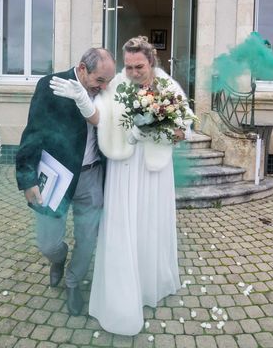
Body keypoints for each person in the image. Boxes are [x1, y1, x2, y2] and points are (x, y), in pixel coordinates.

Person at [87, 36, 193, 336]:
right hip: (123, 168)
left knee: (150, 223)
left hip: (154, 170)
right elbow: (100, 118)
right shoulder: (115, 86)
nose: (133, 72)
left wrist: (160, 130)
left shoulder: (168, 87)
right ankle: (122, 289)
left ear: (151, 62)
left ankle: (149, 284)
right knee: (123, 224)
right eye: (129, 66)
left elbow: (185, 127)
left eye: (140, 66)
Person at [16, 48, 115, 316]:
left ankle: (73, 282)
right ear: (82, 69)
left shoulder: (107, 93)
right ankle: (58, 259)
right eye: (99, 81)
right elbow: (33, 133)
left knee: (87, 238)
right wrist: (27, 179)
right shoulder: (49, 86)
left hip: (92, 175)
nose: (103, 87)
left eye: (107, 81)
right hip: (56, 176)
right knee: (47, 243)